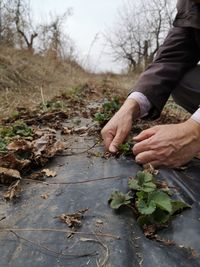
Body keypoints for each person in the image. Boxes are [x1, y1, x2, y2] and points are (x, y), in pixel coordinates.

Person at [101, 0, 200, 168]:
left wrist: (194, 131)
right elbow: (171, 58)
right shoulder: (190, 5)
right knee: (182, 79)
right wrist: (130, 107)